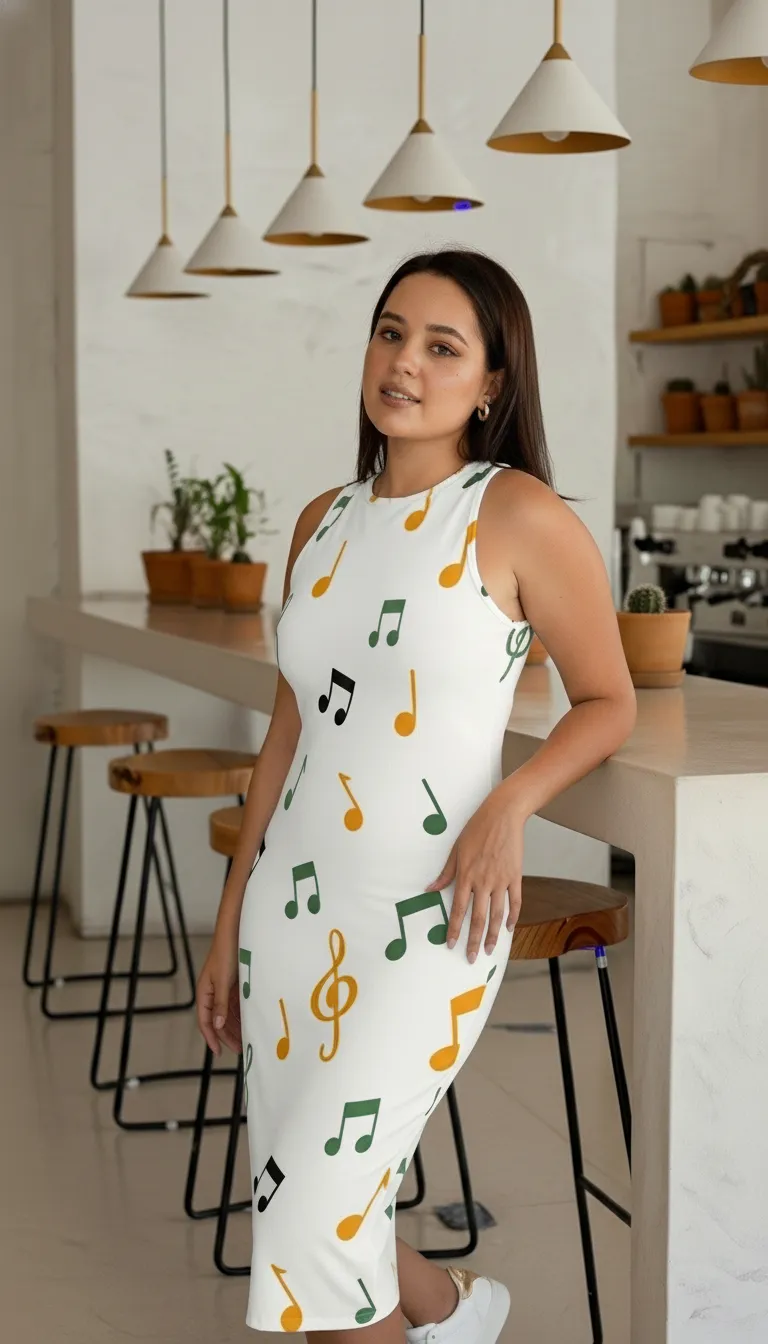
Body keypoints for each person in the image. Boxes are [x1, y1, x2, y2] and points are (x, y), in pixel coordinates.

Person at [196, 247, 636, 1344]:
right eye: (392, 333)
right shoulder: (321, 522)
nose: (405, 363)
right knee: (311, 1201)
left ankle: (449, 1316)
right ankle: (455, 1313)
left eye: (444, 347)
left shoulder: (516, 514)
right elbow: (289, 734)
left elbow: (608, 701)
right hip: (294, 911)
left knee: (312, 1214)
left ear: (492, 383)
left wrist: (507, 808)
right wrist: (230, 915)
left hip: (432, 910)